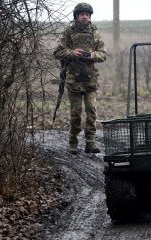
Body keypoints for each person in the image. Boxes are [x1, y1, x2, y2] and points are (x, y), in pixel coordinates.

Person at [54, 2, 108, 154]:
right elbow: (57, 52)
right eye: (81, 14)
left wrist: (91, 55)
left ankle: (90, 142)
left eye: (87, 14)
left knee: (92, 111)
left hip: (90, 80)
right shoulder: (68, 32)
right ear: (77, 16)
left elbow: (103, 54)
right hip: (73, 80)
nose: (84, 16)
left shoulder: (95, 33)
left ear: (90, 16)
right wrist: (72, 53)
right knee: (76, 113)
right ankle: (73, 142)